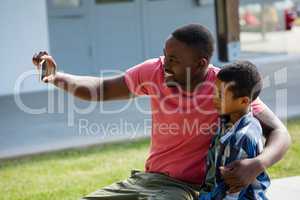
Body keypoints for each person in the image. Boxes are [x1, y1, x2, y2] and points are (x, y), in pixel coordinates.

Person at [32, 24, 290, 200]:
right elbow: (101, 89)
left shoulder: (223, 88)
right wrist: (56, 77)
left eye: (174, 60)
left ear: (200, 64)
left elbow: (279, 131)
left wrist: (258, 164)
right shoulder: (153, 71)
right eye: (165, 55)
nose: (164, 64)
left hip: (189, 189)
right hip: (148, 179)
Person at [199, 61, 269, 200]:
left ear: (244, 101)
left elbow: (233, 192)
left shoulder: (241, 138)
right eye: (214, 92)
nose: (214, 99)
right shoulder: (227, 122)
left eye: (221, 96)